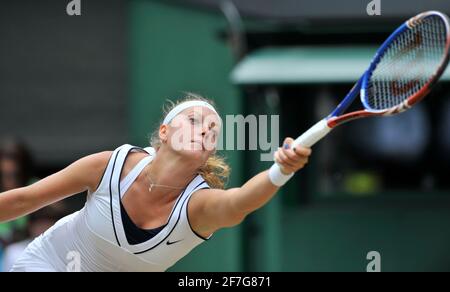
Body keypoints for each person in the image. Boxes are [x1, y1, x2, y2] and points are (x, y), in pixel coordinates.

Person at [0, 94, 312, 272]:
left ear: (208, 154)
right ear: (164, 132)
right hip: (47, 264)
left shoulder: (198, 208)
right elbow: (23, 200)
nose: (204, 130)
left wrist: (280, 172)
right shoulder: (110, 166)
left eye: (212, 131)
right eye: (193, 121)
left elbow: (240, 201)